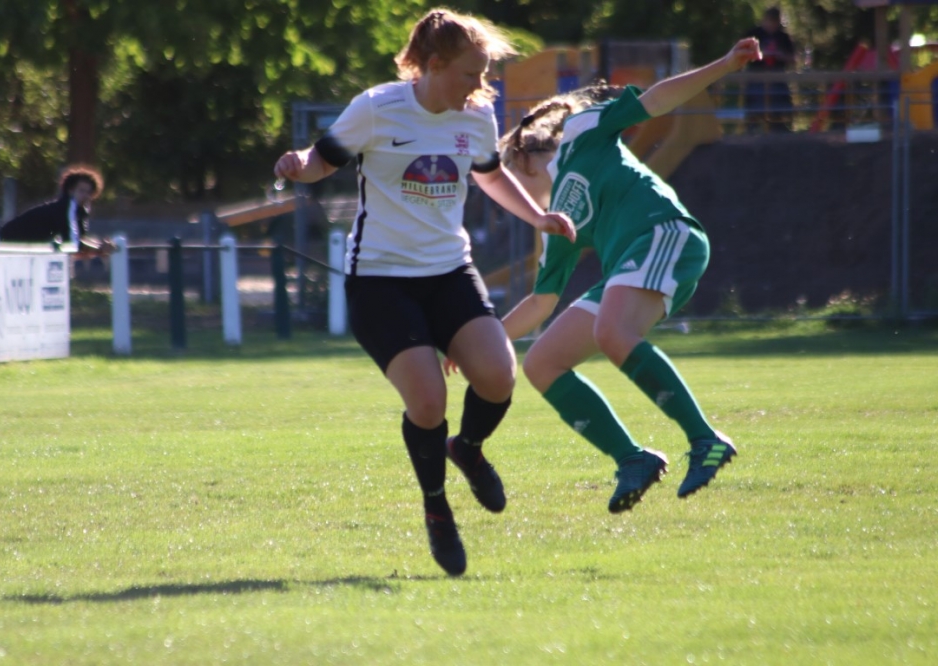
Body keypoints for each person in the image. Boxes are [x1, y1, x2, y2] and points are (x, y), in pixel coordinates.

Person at [274, 8, 575, 577]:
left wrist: (538, 217)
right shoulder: (377, 107)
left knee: (498, 375)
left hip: (448, 271)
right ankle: (437, 508)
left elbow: (489, 174)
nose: (479, 85)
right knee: (429, 402)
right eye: (469, 73)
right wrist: (297, 166)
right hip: (380, 280)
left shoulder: (476, 115)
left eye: (482, 73)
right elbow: (321, 161)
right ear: (434, 65)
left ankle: (469, 449)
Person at [477, 38, 761, 514]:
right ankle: (633, 459)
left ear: (520, 159)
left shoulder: (581, 132)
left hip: (664, 234)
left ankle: (705, 439)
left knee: (612, 332)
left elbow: (655, 100)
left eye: (507, 183)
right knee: (542, 363)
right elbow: (541, 303)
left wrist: (725, 63)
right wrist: (483, 343)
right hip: (632, 262)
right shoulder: (554, 224)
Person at [0, 165, 109, 253]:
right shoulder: (66, 207)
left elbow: (80, 238)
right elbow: (72, 242)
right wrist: (100, 247)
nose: (86, 195)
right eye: (81, 191)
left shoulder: (80, 211)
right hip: (8, 242)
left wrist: (99, 245)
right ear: (70, 190)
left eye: (89, 192)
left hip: (22, 246)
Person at [744, 7, 796, 132]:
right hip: (756, 77)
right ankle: (753, 129)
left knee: (779, 106)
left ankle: (779, 129)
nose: (772, 24)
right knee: (755, 106)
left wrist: (780, 55)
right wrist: (761, 54)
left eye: (775, 21)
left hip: (777, 78)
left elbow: (792, 58)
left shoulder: (783, 37)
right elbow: (742, 55)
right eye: (769, 21)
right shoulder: (753, 34)